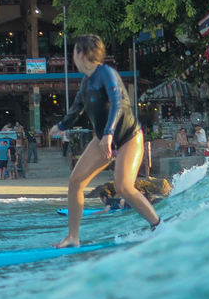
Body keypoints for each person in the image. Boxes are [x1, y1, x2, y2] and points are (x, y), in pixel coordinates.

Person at [49, 34, 161, 248]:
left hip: (128, 136)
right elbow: (76, 109)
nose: (72, 57)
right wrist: (61, 126)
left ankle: (158, 225)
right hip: (104, 139)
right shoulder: (86, 81)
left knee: (123, 187)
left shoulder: (107, 73)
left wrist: (109, 133)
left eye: (74, 52)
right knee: (75, 182)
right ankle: (73, 236)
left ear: (82, 54)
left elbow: (117, 102)